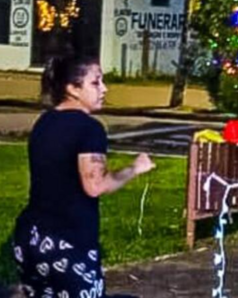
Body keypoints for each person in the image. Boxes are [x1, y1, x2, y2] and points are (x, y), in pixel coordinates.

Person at [13, 55, 155, 298]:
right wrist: (134, 168)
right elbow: (95, 185)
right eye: (95, 82)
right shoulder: (89, 128)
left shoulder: (45, 121)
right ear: (73, 89)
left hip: (30, 239)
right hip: (67, 242)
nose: (104, 89)